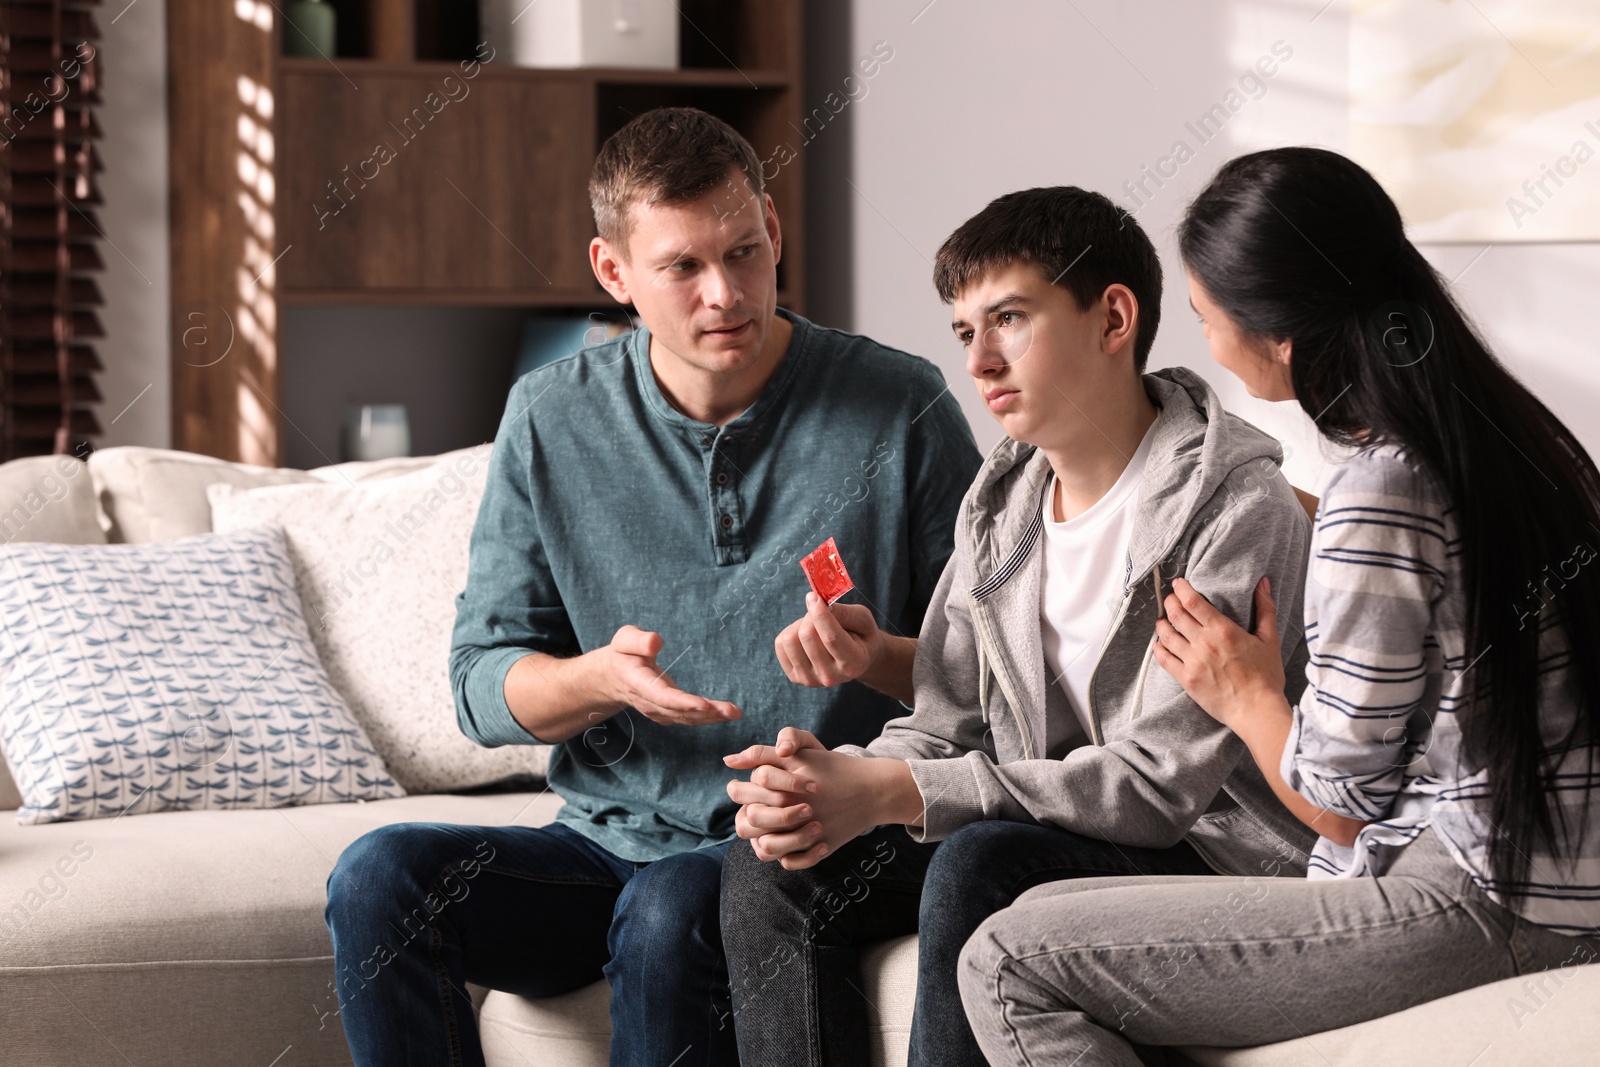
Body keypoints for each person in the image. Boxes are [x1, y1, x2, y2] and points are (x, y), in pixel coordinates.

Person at [321, 107, 982, 1067]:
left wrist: (876, 658)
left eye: (745, 251)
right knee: (382, 874)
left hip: (798, 842)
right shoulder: (549, 417)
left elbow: (993, 674)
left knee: (674, 904)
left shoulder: (900, 402)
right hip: (604, 845)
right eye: (683, 267)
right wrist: (601, 680)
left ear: (774, 230)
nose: (726, 292)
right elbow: (478, 683)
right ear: (613, 273)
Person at [958, 147, 1600, 1067]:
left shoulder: (1379, 488)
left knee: (1007, 960)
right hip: (1552, 878)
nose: (1205, 344)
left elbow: (1341, 808)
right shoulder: (1510, 438)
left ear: (1280, 335)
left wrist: (1247, 695)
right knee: (1033, 911)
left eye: (1208, 318)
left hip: (1475, 893)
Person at [719, 186, 1318, 1067]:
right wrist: (840, 776)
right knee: (776, 863)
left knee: (981, 864)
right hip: (1044, 824)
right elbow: (946, 717)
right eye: (965, 331)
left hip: (1204, 851)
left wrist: (898, 793)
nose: (981, 361)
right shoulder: (1001, 506)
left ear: (1114, 318)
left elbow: (1156, 790)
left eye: (1009, 318)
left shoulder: (1234, 508)